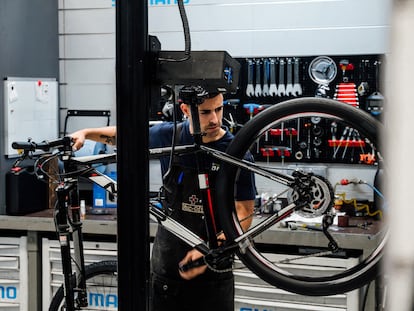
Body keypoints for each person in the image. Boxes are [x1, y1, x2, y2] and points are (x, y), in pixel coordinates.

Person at [70, 85, 257, 311]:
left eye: (218, 109)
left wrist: (211, 248)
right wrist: (86, 133)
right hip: (167, 269)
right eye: (205, 112)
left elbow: (245, 213)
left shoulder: (237, 151)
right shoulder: (170, 136)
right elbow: (126, 135)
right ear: (185, 109)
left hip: (214, 273)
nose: (215, 119)